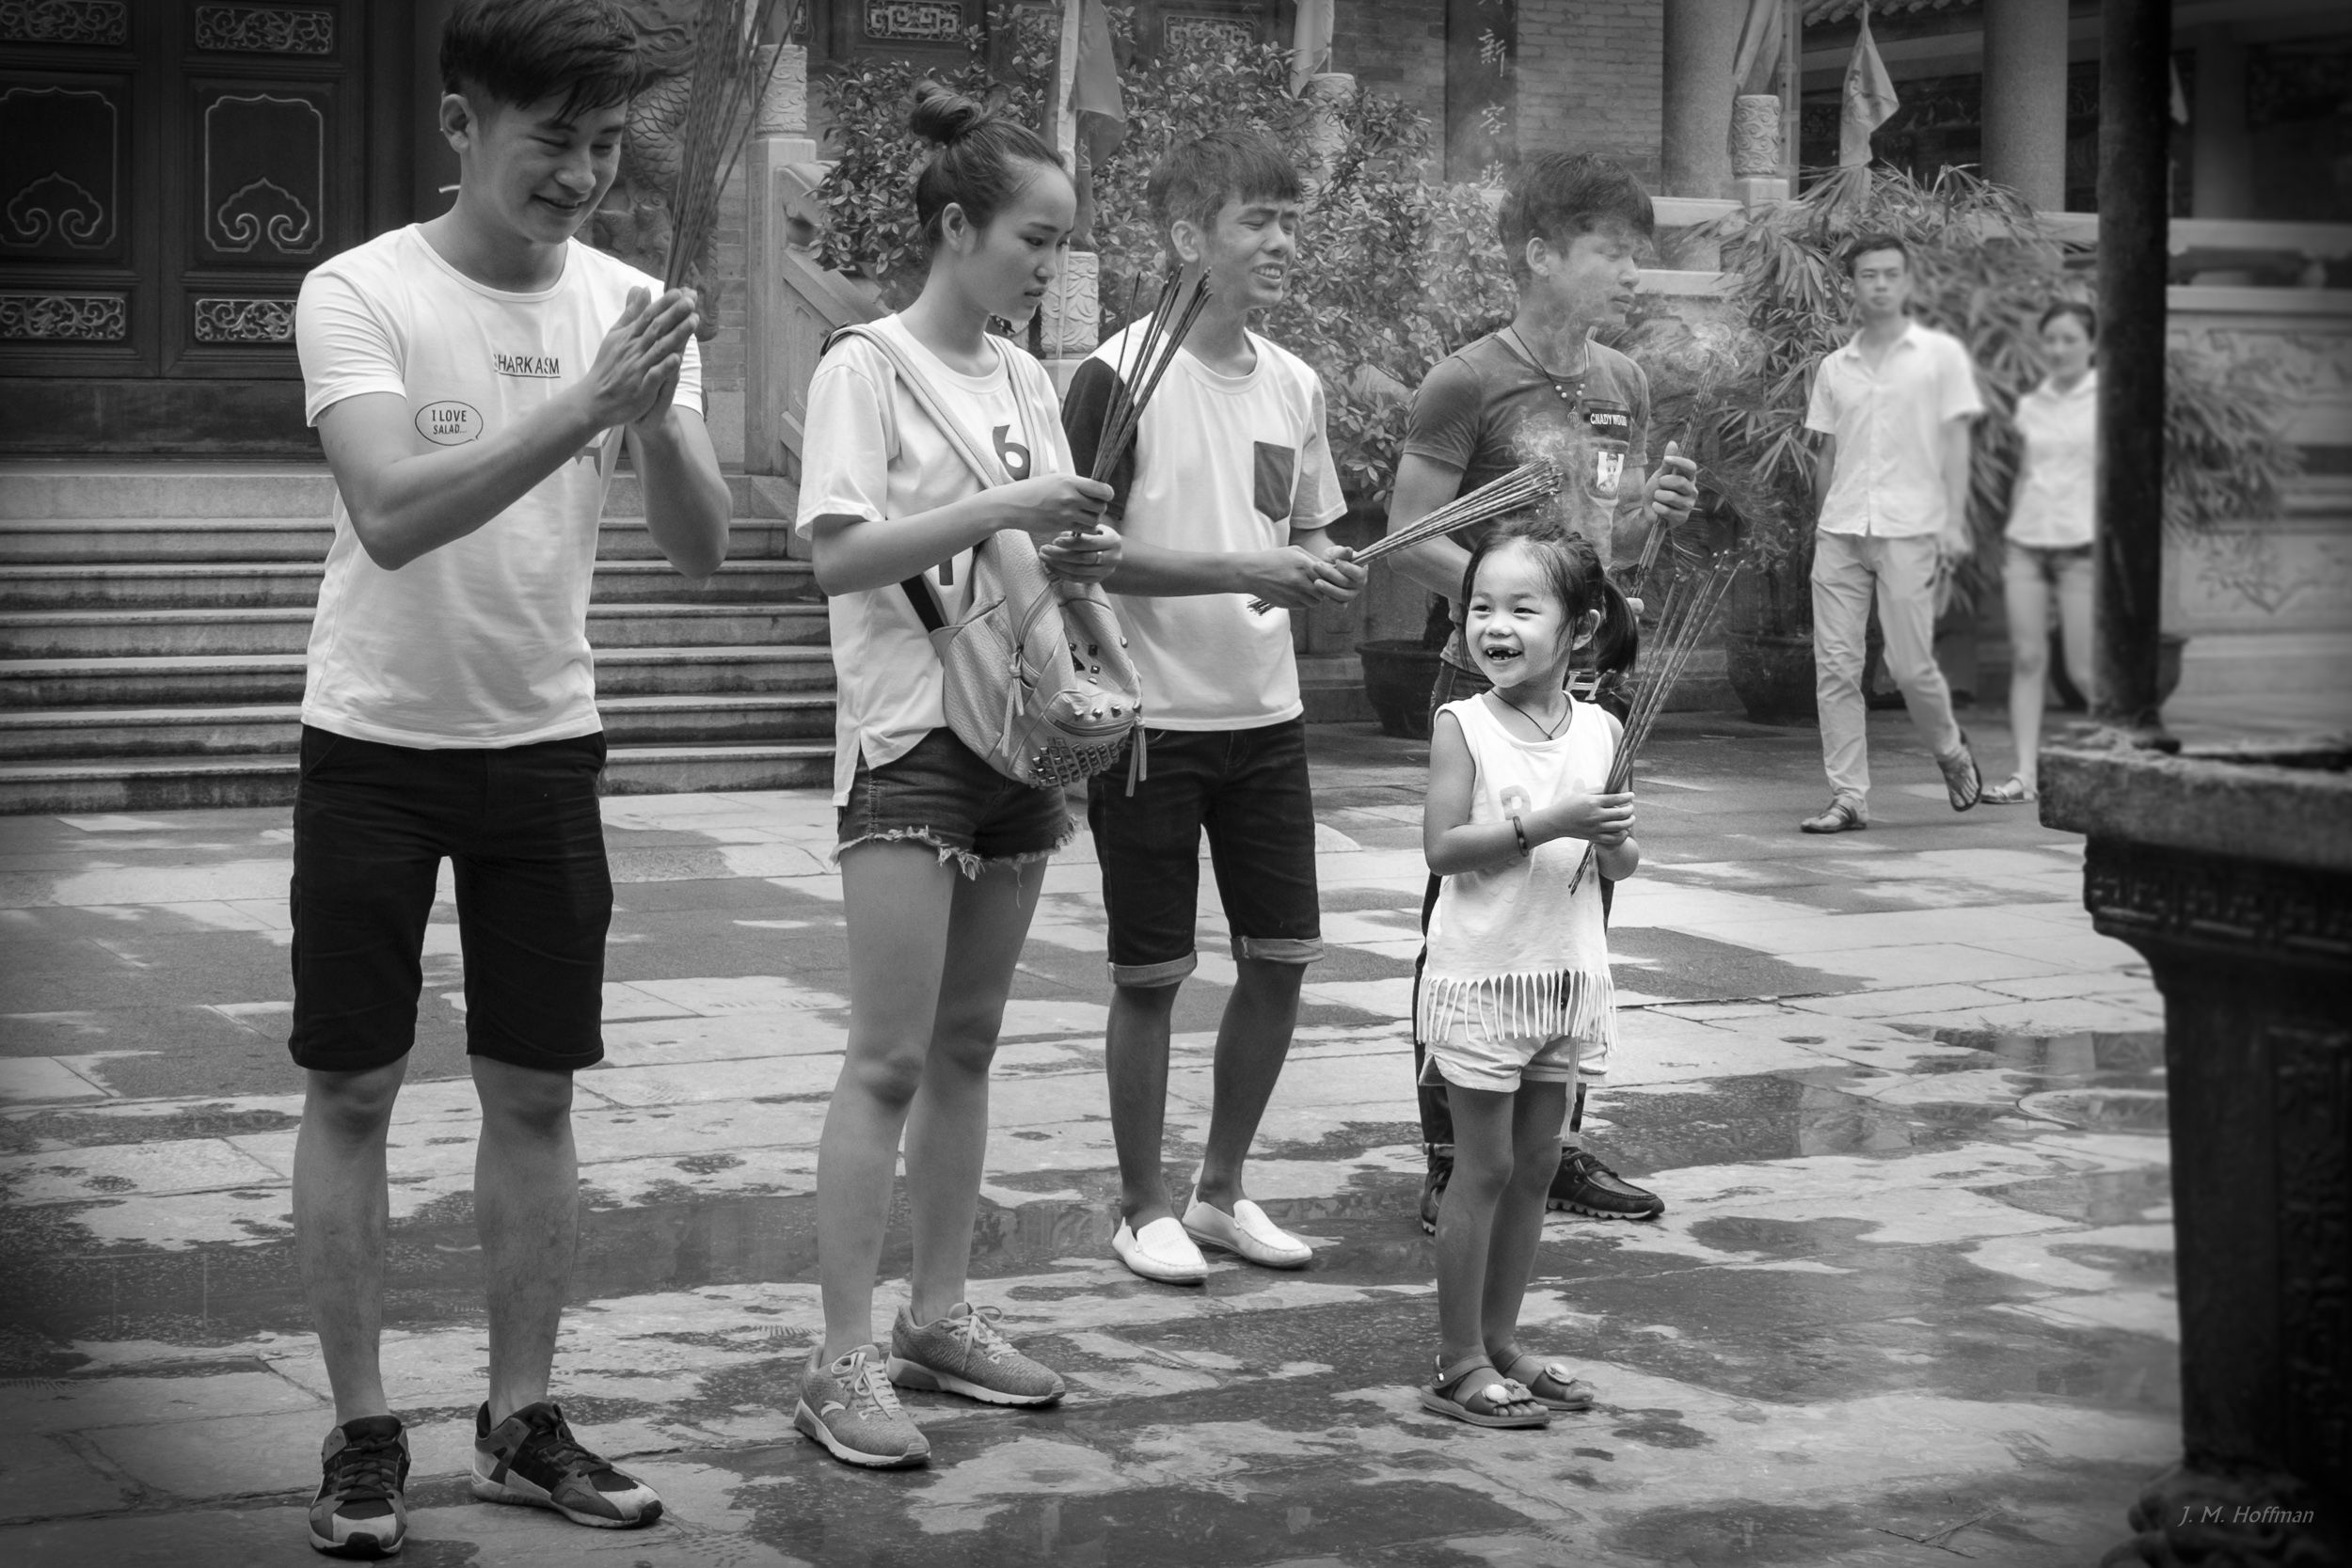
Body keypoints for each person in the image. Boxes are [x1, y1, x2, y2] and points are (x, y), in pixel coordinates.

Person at [288, 0, 731, 1554]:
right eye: (553, 141)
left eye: (606, 147)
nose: (581, 176)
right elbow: (397, 511)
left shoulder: (623, 301)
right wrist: (587, 407)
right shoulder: (359, 292)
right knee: (351, 1084)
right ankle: (359, 1429)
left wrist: (665, 420)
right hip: (374, 746)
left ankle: (519, 1417)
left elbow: (697, 547)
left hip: (542, 747)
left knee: (532, 1091)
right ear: (463, 121)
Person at [791, 83, 1122, 1469]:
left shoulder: (1027, 378)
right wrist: (1006, 505)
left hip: (1013, 732)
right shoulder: (861, 369)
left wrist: (1075, 634)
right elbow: (835, 554)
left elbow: (1027, 565)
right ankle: (839, 1356)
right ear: (954, 226)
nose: (1045, 268)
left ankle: (939, 1314)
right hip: (910, 734)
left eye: (1057, 244)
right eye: (1031, 241)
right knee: (887, 1054)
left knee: (973, 1043)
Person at [1060, 131, 1366, 1286]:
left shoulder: (1294, 383)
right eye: (1259, 221)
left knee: (1281, 958)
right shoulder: (1119, 375)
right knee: (1150, 972)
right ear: (1189, 239)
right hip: (1147, 717)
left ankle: (1223, 1188)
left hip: (1265, 716)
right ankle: (1142, 1205)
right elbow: (1080, 557)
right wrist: (1256, 570)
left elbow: (1305, 531)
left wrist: (1318, 563)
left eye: (1291, 218)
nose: (1283, 241)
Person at [1387, 152, 1698, 1234]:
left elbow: (1615, 551)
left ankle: (1551, 1145)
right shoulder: (1468, 379)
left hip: (1598, 684)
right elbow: (1407, 536)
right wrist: (1513, 615)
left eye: (1633, 252)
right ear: (1539, 254)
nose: (1628, 271)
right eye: (1609, 250)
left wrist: (1653, 515)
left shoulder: (1624, 382)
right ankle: (1447, 1154)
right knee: (1469, 910)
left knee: (1579, 903)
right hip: (1491, 683)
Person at [1415, 517, 1637, 1429]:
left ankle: (1503, 1340)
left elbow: (1619, 864)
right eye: (1479, 606)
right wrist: (1550, 821)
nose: (1493, 625)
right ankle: (1457, 1358)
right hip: (1483, 980)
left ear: (1578, 628)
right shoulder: (1461, 724)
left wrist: (1614, 839)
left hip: (1563, 976)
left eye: (1520, 607)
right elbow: (1444, 846)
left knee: (1539, 1163)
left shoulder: (1603, 729)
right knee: (1485, 1163)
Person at [1798, 233, 1988, 834]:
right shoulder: (1835, 368)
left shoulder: (1939, 358)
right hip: (1841, 532)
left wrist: (1956, 521)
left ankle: (1950, 748)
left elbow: (1958, 445)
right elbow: (1827, 452)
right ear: (1851, 287)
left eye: (1890, 274)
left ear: (1907, 282)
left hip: (1909, 530)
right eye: (1867, 275)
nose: (1879, 284)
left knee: (1908, 666)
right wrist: (1821, 522)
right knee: (1835, 667)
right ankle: (1848, 796)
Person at [1984, 302, 2099, 804]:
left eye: (2069, 339)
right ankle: (2025, 776)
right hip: (2028, 543)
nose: (2058, 349)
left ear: (2092, 343)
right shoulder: (2033, 404)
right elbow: (2028, 474)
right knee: (2028, 660)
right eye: (2050, 339)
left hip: (2083, 546)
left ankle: (2127, 761)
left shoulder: (2110, 402)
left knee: (2083, 669)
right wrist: (2011, 538)